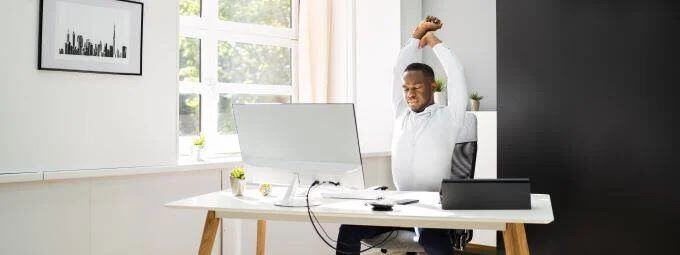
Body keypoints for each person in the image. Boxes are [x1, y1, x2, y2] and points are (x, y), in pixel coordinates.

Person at [335, 15, 469, 255]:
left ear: (432, 87)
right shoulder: (400, 114)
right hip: (399, 205)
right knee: (348, 230)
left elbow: (456, 72)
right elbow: (398, 70)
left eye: (417, 87)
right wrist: (416, 36)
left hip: (433, 208)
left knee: (431, 239)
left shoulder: (450, 116)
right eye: (406, 89)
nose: (410, 94)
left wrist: (432, 41)